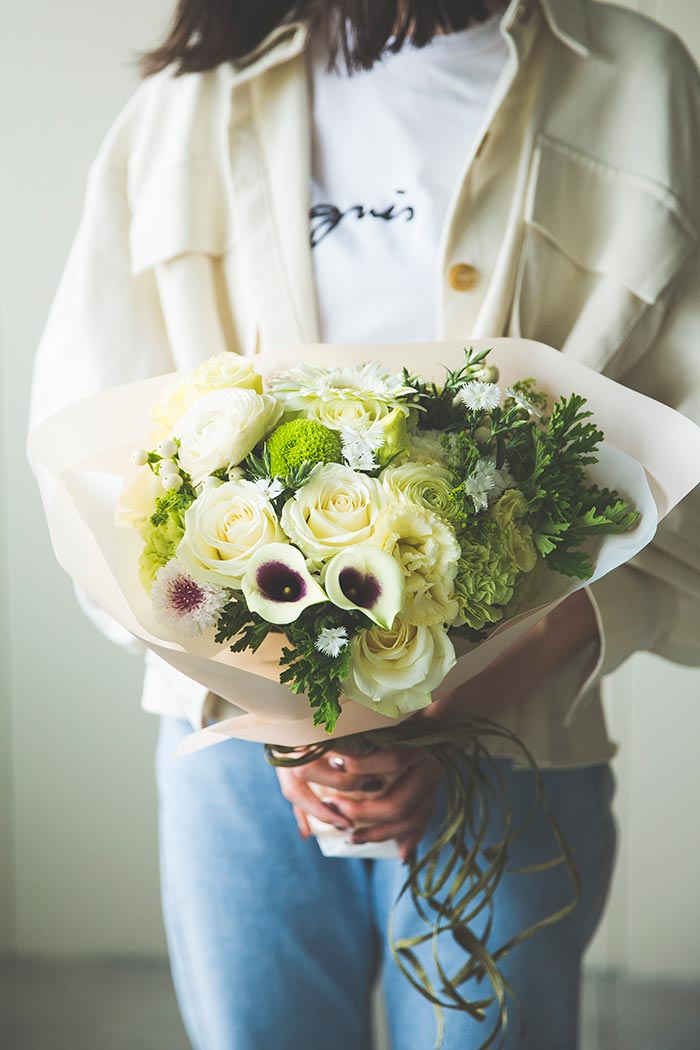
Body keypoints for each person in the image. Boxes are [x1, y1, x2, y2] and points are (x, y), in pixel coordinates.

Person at [28, 1, 700, 1047]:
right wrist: (292, 728)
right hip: (234, 755)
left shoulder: (631, 79)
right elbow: (91, 455)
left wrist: (450, 703)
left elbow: (682, 466)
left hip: (514, 748)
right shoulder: (186, 102)